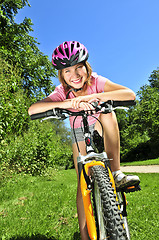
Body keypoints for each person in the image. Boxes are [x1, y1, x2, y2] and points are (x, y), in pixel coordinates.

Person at [28, 41, 140, 240]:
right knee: (82, 180)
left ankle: (116, 172)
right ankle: (84, 235)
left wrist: (94, 98)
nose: (75, 74)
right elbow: (33, 109)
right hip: (79, 130)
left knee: (108, 113)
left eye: (79, 67)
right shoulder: (62, 91)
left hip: (100, 124)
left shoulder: (96, 81)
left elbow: (129, 94)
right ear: (62, 75)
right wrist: (69, 103)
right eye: (68, 70)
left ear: (86, 66)